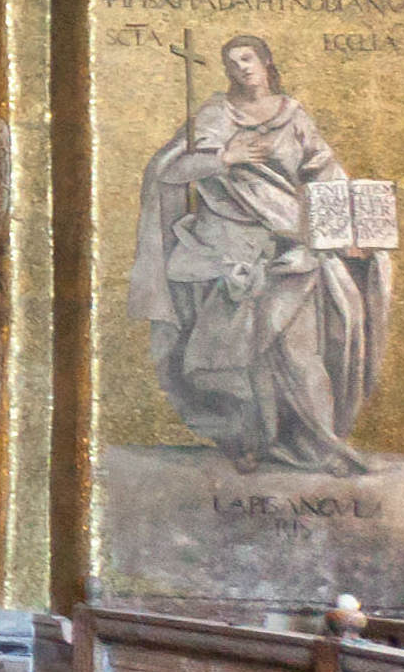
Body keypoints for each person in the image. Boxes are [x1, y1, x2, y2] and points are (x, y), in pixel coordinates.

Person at [133, 35, 387, 473]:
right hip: (227, 251)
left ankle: (322, 446)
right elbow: (168, 169)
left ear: (266, 61)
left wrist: (349, 228)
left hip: (289, 250)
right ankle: (246, 442)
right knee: (235, 359)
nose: (241, 69)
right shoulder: (216, 114)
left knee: (300, 355)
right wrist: (223, 157)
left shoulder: (293, 115)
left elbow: (324, 171)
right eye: (231, 63)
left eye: (247, 59)